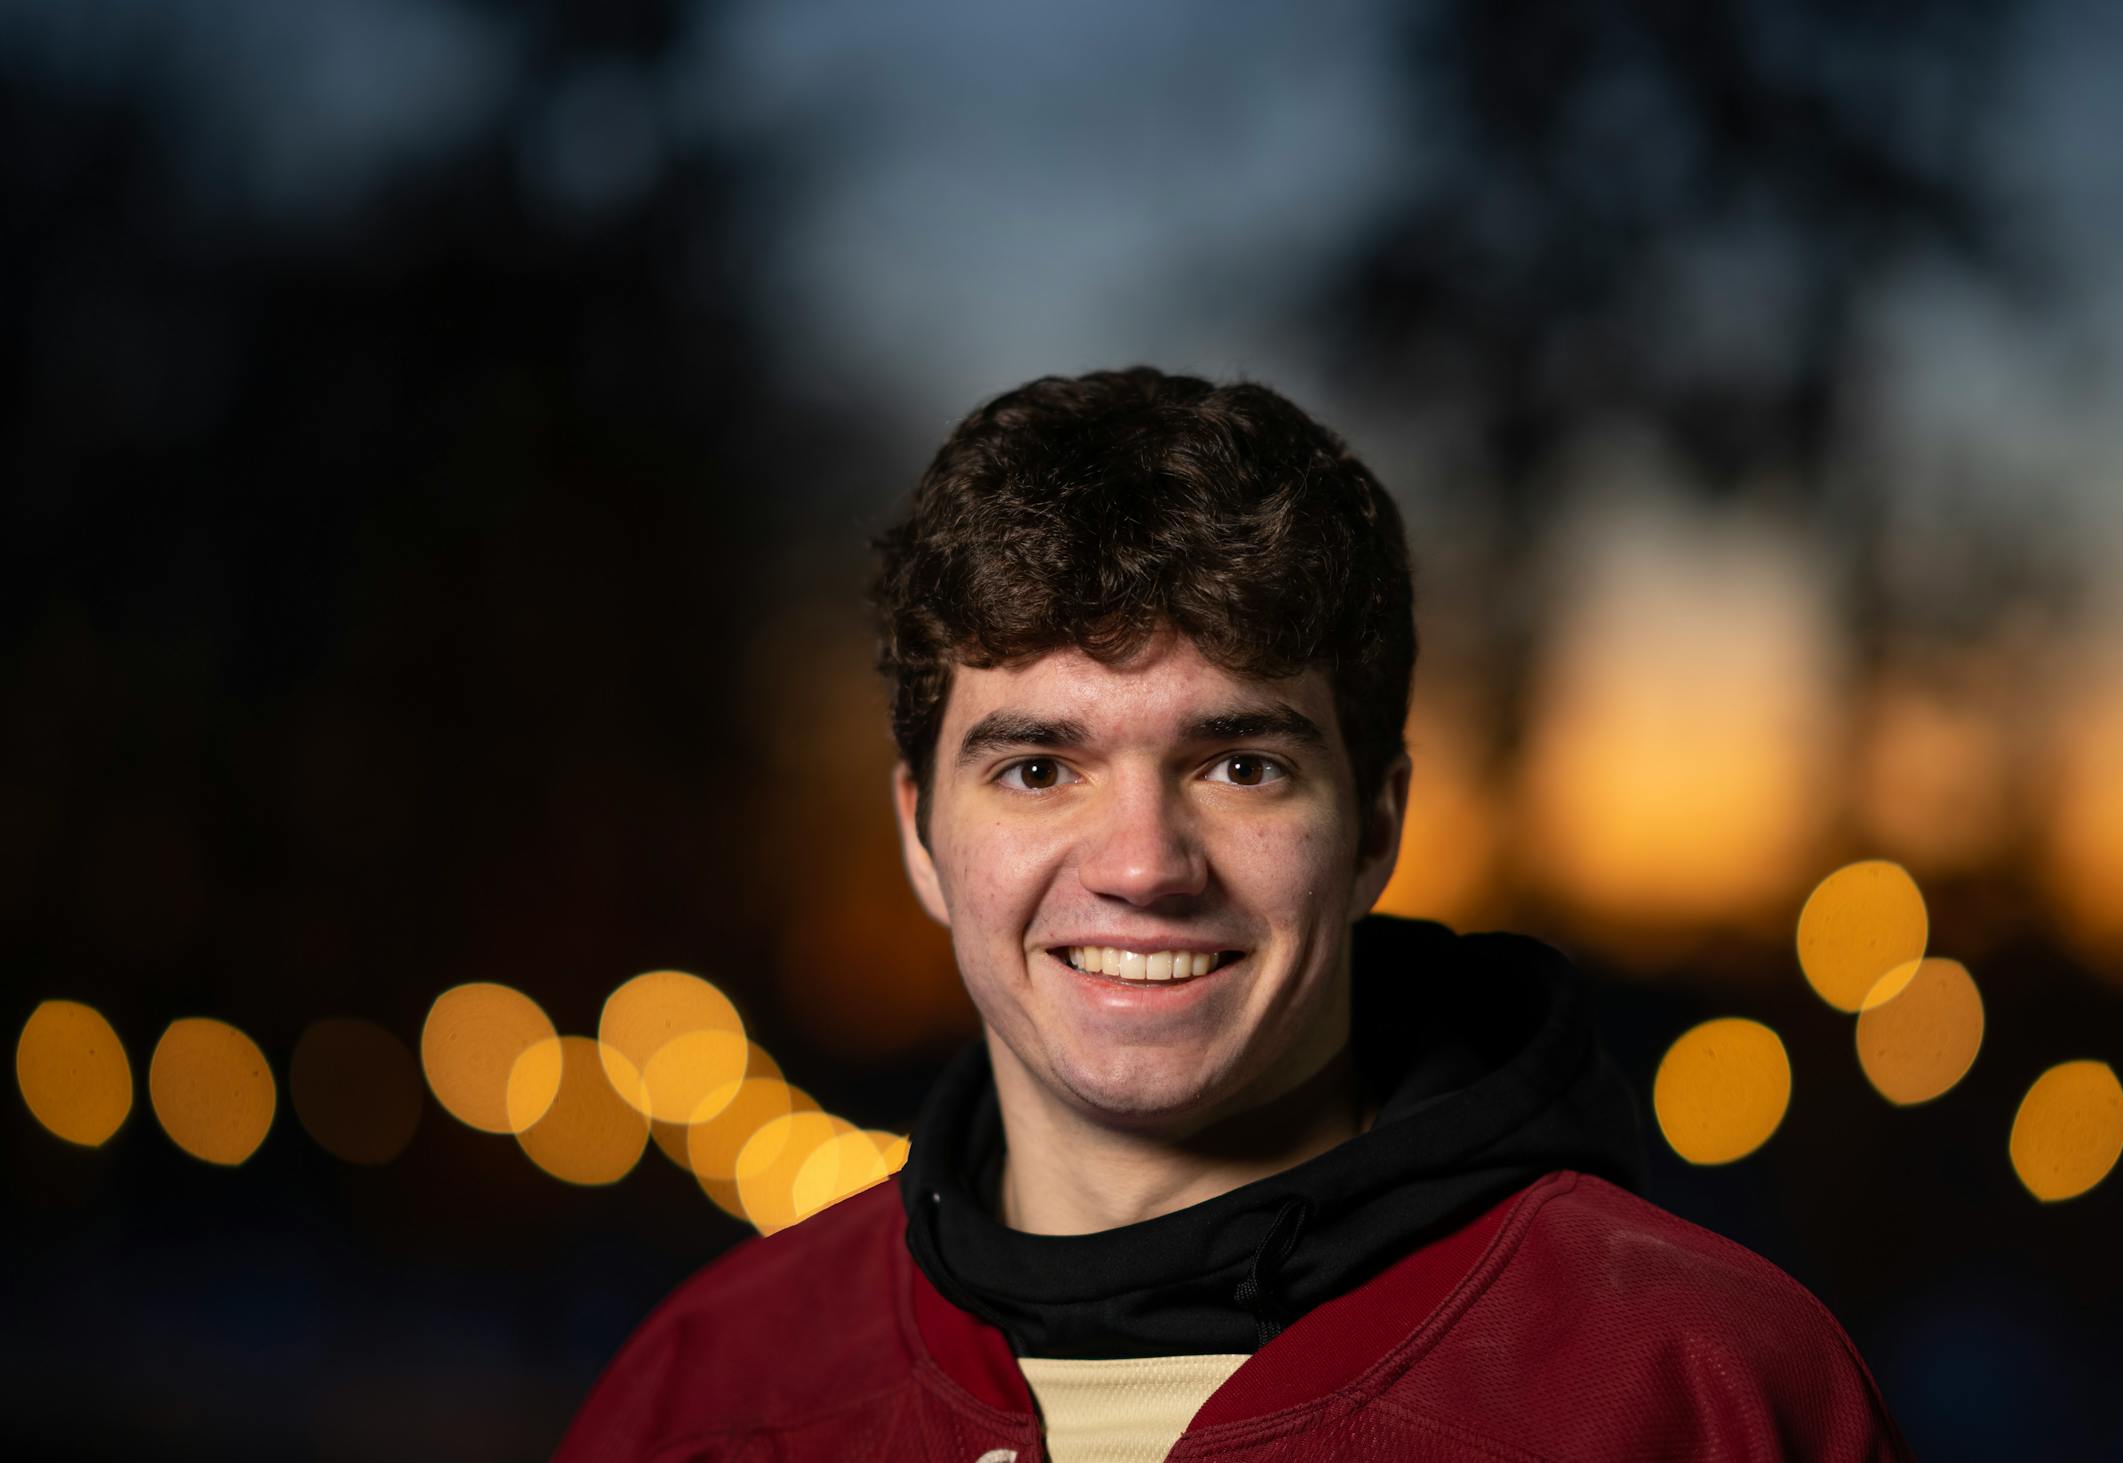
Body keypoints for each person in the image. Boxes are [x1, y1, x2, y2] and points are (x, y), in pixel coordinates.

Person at [555, 367, 1910, 1461]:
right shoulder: (709, 1399)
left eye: (1239, 765)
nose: (1145, 865)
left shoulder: (1701, 1393)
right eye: (1039, 768)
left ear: (1375, 825)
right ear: (920, 832)